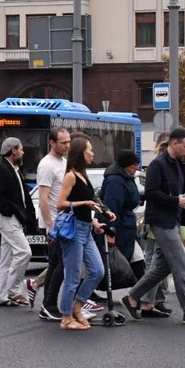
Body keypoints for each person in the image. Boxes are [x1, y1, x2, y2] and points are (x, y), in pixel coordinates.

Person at [121, 128, 185, 325]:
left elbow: (184, 189)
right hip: (161, 221)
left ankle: (132, 297)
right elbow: (151, 193)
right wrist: (175, 200)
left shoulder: (181, 164)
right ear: (174, 144)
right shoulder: (158, 165)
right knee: (182, 264)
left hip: (175, 219)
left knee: (162, 268)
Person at [54, 137, 109, 330]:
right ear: (80, 153)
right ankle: (66, 317)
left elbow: (90, 201)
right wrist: (84, 203)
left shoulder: (83, 175)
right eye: (90, 150)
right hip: (74, 230)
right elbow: (60, 204)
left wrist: (97, 218)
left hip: (86, 228)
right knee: (73, 276)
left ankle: (77, 306)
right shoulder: (71, 176)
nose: (93, 153)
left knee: (98, 271)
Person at [0, 137, 37, 307]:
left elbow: (22, 196)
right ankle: (13, 290)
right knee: (24, 252)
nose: (23, 152)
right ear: (13, 150)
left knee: (6, 259)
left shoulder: (13, 168)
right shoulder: (0, 168)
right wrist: (10, 210)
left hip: (13, 217)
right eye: (21, 149)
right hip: (7, 217)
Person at [31, 128, 70, 321]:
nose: (67, 145)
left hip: (63, 222)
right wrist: (49, 225)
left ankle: (48, 304)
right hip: (55, 223)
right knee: (62, 264)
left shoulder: (63, 162)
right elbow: (43, 198)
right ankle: (49, 304)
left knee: (56, 264)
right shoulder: (47, 165)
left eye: (69, 142)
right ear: (52, 143)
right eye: (63, 142)